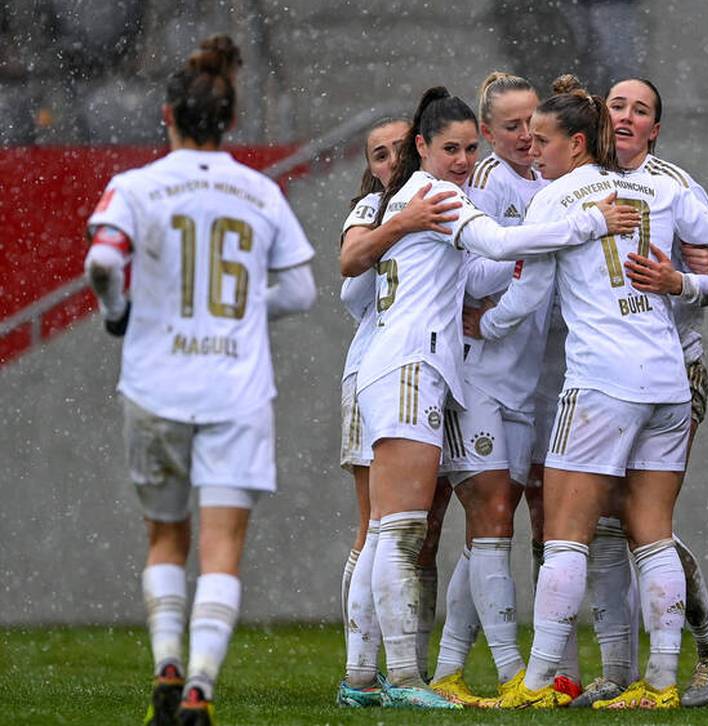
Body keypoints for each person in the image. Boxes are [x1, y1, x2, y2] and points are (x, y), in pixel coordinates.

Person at [351, 84, 638, 710]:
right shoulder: (444, 193)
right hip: (414, 365)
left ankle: (366, 676)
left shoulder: (411, 197)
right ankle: (412, 678)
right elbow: (500, 246)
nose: (463, 160)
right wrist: (591, 222)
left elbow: (482, 267)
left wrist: (526, 256)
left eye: (468, 149)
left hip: (410, 366)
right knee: (404, 531)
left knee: (388, 531)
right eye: (451, 148)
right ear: (423, 146)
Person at [82, 35, 317, 725]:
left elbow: (102, 261)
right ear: (231, 119)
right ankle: (201, 687)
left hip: (156, 385)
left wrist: (117, 310)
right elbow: (301, 291)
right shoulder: (260, 191)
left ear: (168, 115)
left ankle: (166, 662)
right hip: (234, 391)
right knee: (222, 550)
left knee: (165, 537)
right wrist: (242, 309)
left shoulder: (136, 186)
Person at [500, 74, 708, 710]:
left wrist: (486, 324)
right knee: (647, 531)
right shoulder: (659, 191)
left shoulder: (569, 194)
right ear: (601, 120)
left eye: (542, 140)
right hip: (663, 378)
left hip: (608, 379)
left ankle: (535, 683)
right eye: (618, 106)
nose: (532, 149)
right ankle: (653, 681)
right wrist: (692, 272)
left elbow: (526, 293)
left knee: (566, 535)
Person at [430, 71, 582, 705]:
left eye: (531, 124)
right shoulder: (488, 182)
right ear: (489, 134)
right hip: (480, 377)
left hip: (526, 385)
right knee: (493, 522)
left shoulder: (551, 184)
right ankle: (513, 671)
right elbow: (468, 275)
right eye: (511, 126)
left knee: (490, 531)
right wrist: (523, 260)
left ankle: (446, 669)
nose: (524, 136)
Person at [334, 117, 463, 708]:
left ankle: (364, 676)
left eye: (395, 151)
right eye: (378, 155)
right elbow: (351, 281)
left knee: (392, 528)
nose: (389, 162)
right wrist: (403, 227)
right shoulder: (375, 207)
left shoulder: (424, 201)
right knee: (380, 528)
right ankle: (380, 671)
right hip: (380, 369)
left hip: (395, 368)